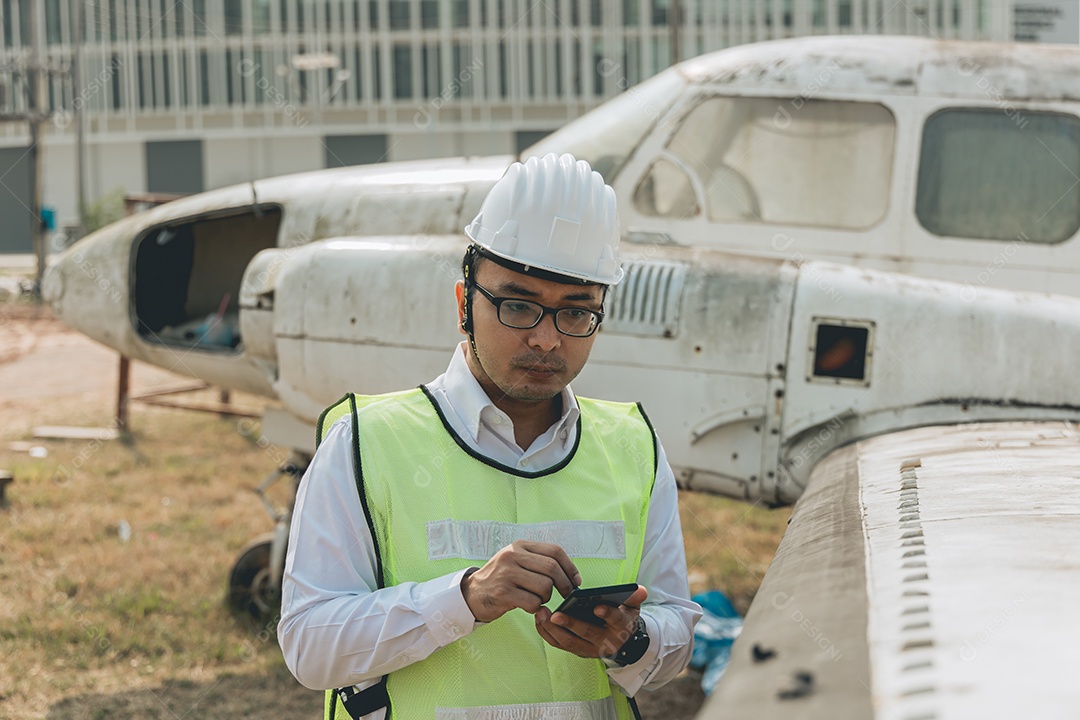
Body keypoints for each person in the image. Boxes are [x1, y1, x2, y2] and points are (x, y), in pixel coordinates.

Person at [278, 153, 702, 720]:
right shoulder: (365, 443)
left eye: (576, 313)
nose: (549, 340)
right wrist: (463, 599)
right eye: (518, 305)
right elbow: (310, 647)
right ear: (464, 306)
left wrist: (632, 640)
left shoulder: (633, 447)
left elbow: (675, 634)